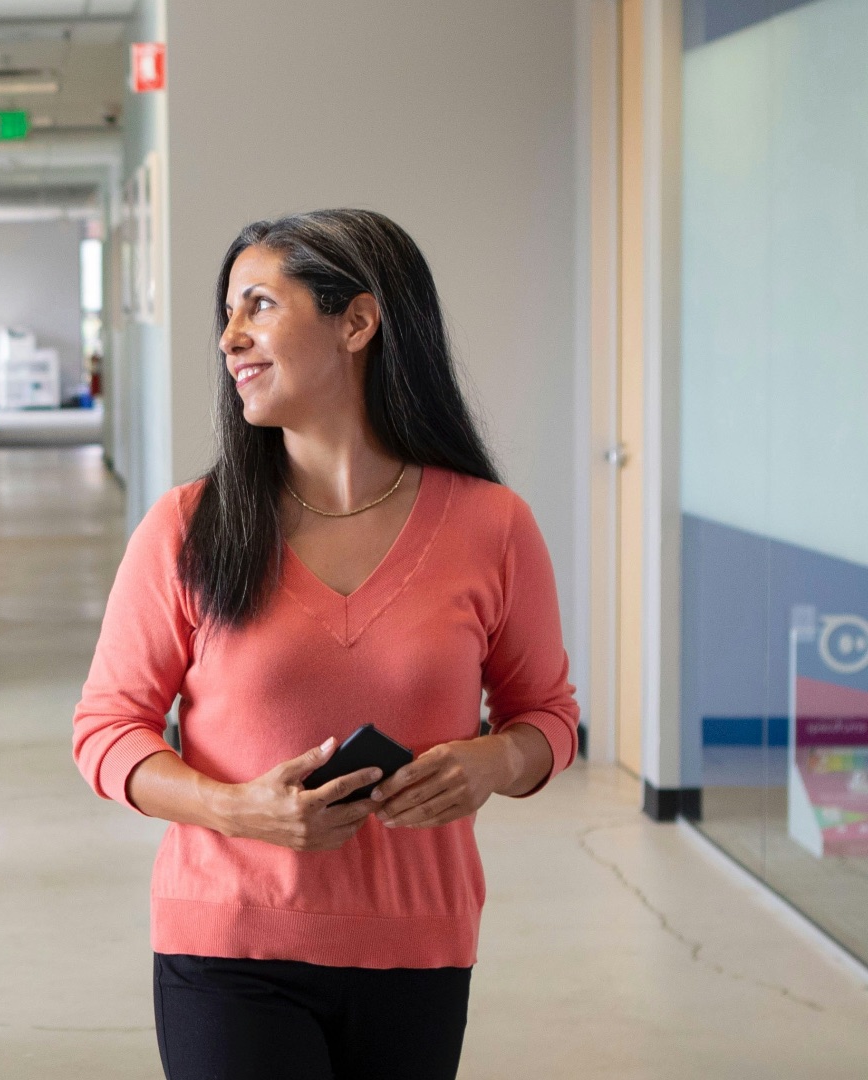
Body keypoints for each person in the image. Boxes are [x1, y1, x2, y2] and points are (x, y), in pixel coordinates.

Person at [72, 208, 578, 1080]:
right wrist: (239, 810)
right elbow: (106, 730)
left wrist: (491, 764)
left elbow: (549, 718)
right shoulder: (187, 527)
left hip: (418, 947)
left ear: (357, 320)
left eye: (259, 305)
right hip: (228, 943)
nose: (229, 338)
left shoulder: (492, 526)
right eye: (227, 314)